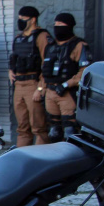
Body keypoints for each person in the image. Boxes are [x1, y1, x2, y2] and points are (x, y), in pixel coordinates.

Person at [40, 13, 92, 142]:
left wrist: (67, 84)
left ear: (69, 26)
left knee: (70, 131)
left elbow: (85, 71)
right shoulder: (51, 46)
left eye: (61, 25)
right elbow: (44, 70)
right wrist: (42, 88)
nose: (57, 28)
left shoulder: (79, 45)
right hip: (50, 92)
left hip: (67, 93)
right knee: (53, 131)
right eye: (55, 25)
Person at [8, 6, 50, 146]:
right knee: (22, 128)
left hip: (33, 83)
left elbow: (47, 63)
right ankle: (22, 158)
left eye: (23, 19)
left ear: (33, 19)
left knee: (38, 127)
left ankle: (40, 160)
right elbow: (14, 59)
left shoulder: (42, 36)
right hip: (19, 85)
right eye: (19, 18)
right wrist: (11, 71)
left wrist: (40, 88)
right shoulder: (18, 38)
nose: (20, 21)